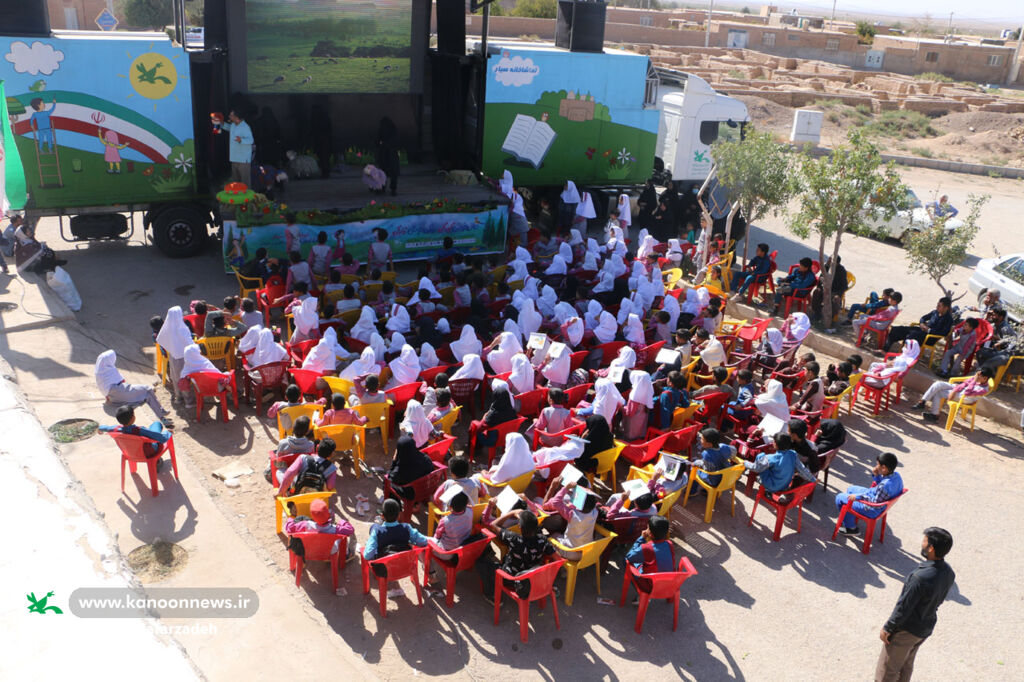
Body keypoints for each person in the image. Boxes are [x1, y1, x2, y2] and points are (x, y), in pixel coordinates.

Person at [876, 527, 956, 682]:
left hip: (906, 630)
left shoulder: (919, 577)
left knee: (888, 671)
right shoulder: (948, 572)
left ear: (931, 548)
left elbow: (903, 607)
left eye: (925, 541)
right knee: (906, 666)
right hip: (924, 628)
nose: (922, 543)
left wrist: (888, 628)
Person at [477, 509, 555, 603]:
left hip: (511, 579)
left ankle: (490, 594)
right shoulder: (543, 540)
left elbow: (493, 524)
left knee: (481, 562)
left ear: (520, 527)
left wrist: (511, 513)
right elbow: (558, 559)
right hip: (532, 578)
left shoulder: (514, 539)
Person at [95, 350, 172, 426]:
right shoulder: (110, 371)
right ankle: (161, 413)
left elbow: (105, 389)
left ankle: (162, 417)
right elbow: (122, 382)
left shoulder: (100, 371)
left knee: (147, 396)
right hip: (120, 392)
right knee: (147, 390)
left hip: (114, 399)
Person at [835, 452, 903, 536]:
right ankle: (849, 517)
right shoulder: (897, 476)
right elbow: (881, 489)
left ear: (884, 468)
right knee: (851, 489)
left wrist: (857, 497)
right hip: (879, 500)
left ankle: (851, 528)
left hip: (872, 509)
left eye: (878, 464)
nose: (876, 466)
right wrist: (877, 476)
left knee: (839, 498)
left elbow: (874, 502)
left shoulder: (884, 486)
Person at [743, 433, 816, 495]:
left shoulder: (771, 458)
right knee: (768, 463)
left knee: (760, 456)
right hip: (785, 486)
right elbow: (802, 469)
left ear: (775, 444)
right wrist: (813, 479)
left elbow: (756, 468)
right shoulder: (793, 454)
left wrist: (745, 463)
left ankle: (765, 487)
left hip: (771, 486)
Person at [283, 498, 355, 560]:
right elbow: (350, 529)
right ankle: (347, 555)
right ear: (328, 515)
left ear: (312, 517)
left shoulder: (305, 524)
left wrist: (290, 518)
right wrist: (341, 522)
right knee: (343, 539)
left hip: (311, 551)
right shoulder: (335, 529)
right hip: (330, 552)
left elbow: (290, 528)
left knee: (300, 519)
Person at [915, 367, 994, 422]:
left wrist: (974, 381)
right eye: (977, 375)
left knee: (939, 393)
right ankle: (922, 402)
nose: (976, 377)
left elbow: (967, 393)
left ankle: (934, 415)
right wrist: (955, 390)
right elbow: (965, 383)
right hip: (960, 391)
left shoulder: (983, 390)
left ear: (985, 378)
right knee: (938, 384)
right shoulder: (977, 378)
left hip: (965, 398)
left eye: (979, 376)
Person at [363, 498, 429, 561]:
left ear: (382, 516)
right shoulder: (407, 528)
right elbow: (423, 541)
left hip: (385, 570)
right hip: (406, 566)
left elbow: (367, 556)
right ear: (398, 516)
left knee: (373, 530)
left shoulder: (377, 531)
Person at [883, 297, 954, 354]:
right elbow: (923, 318)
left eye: (939, 306)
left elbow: (944, 333)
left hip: (930, 337)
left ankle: (903, 356)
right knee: (898, 329)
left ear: (946, 308)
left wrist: (929, 330)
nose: (937, 307)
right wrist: (922, 323)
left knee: (911, 336)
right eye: (937, 305)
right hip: (921, 331)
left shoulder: (948, 319)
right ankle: (885, 350)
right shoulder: (934, 312)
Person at [98, 405, 172, 458]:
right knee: (157, 424)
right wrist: (168, 433)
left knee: (151, 430)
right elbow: (162, 438)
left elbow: (106, 428)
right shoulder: (139, 430)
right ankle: (157, 461)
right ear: (132, 418)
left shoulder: (116, 429)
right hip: (148, 452)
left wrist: (99, 428)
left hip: (129, 453)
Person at [387, 435, 435, 500]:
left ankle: (394, 506)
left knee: (386, 482)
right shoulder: (426, 459)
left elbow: (390, 477)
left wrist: (394, 461)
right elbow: (431, 469)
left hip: (410, 494)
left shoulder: (399, 470)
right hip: (425, 489)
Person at [223, 109, 254, 183]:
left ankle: (246, 194)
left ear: (236, 117)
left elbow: (251, 140)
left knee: (245, 182)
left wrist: (241, 140)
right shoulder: (234, 125)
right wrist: (221, 123)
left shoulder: (245, 127)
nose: (229, 116)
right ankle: (237, 194)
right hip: (234, 158)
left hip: (243, 160)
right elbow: (228, 127)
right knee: (236, 182)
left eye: (231, 115)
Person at [375, 116, 400, 196]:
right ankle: (389, 189)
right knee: (387, 173)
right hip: (388, 155)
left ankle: (389, 189)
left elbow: (379, 142)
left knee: (388, 173)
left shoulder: (390, 131)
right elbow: (377, 142)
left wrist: (382, 144)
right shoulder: (391, 130)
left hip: (389, 155)